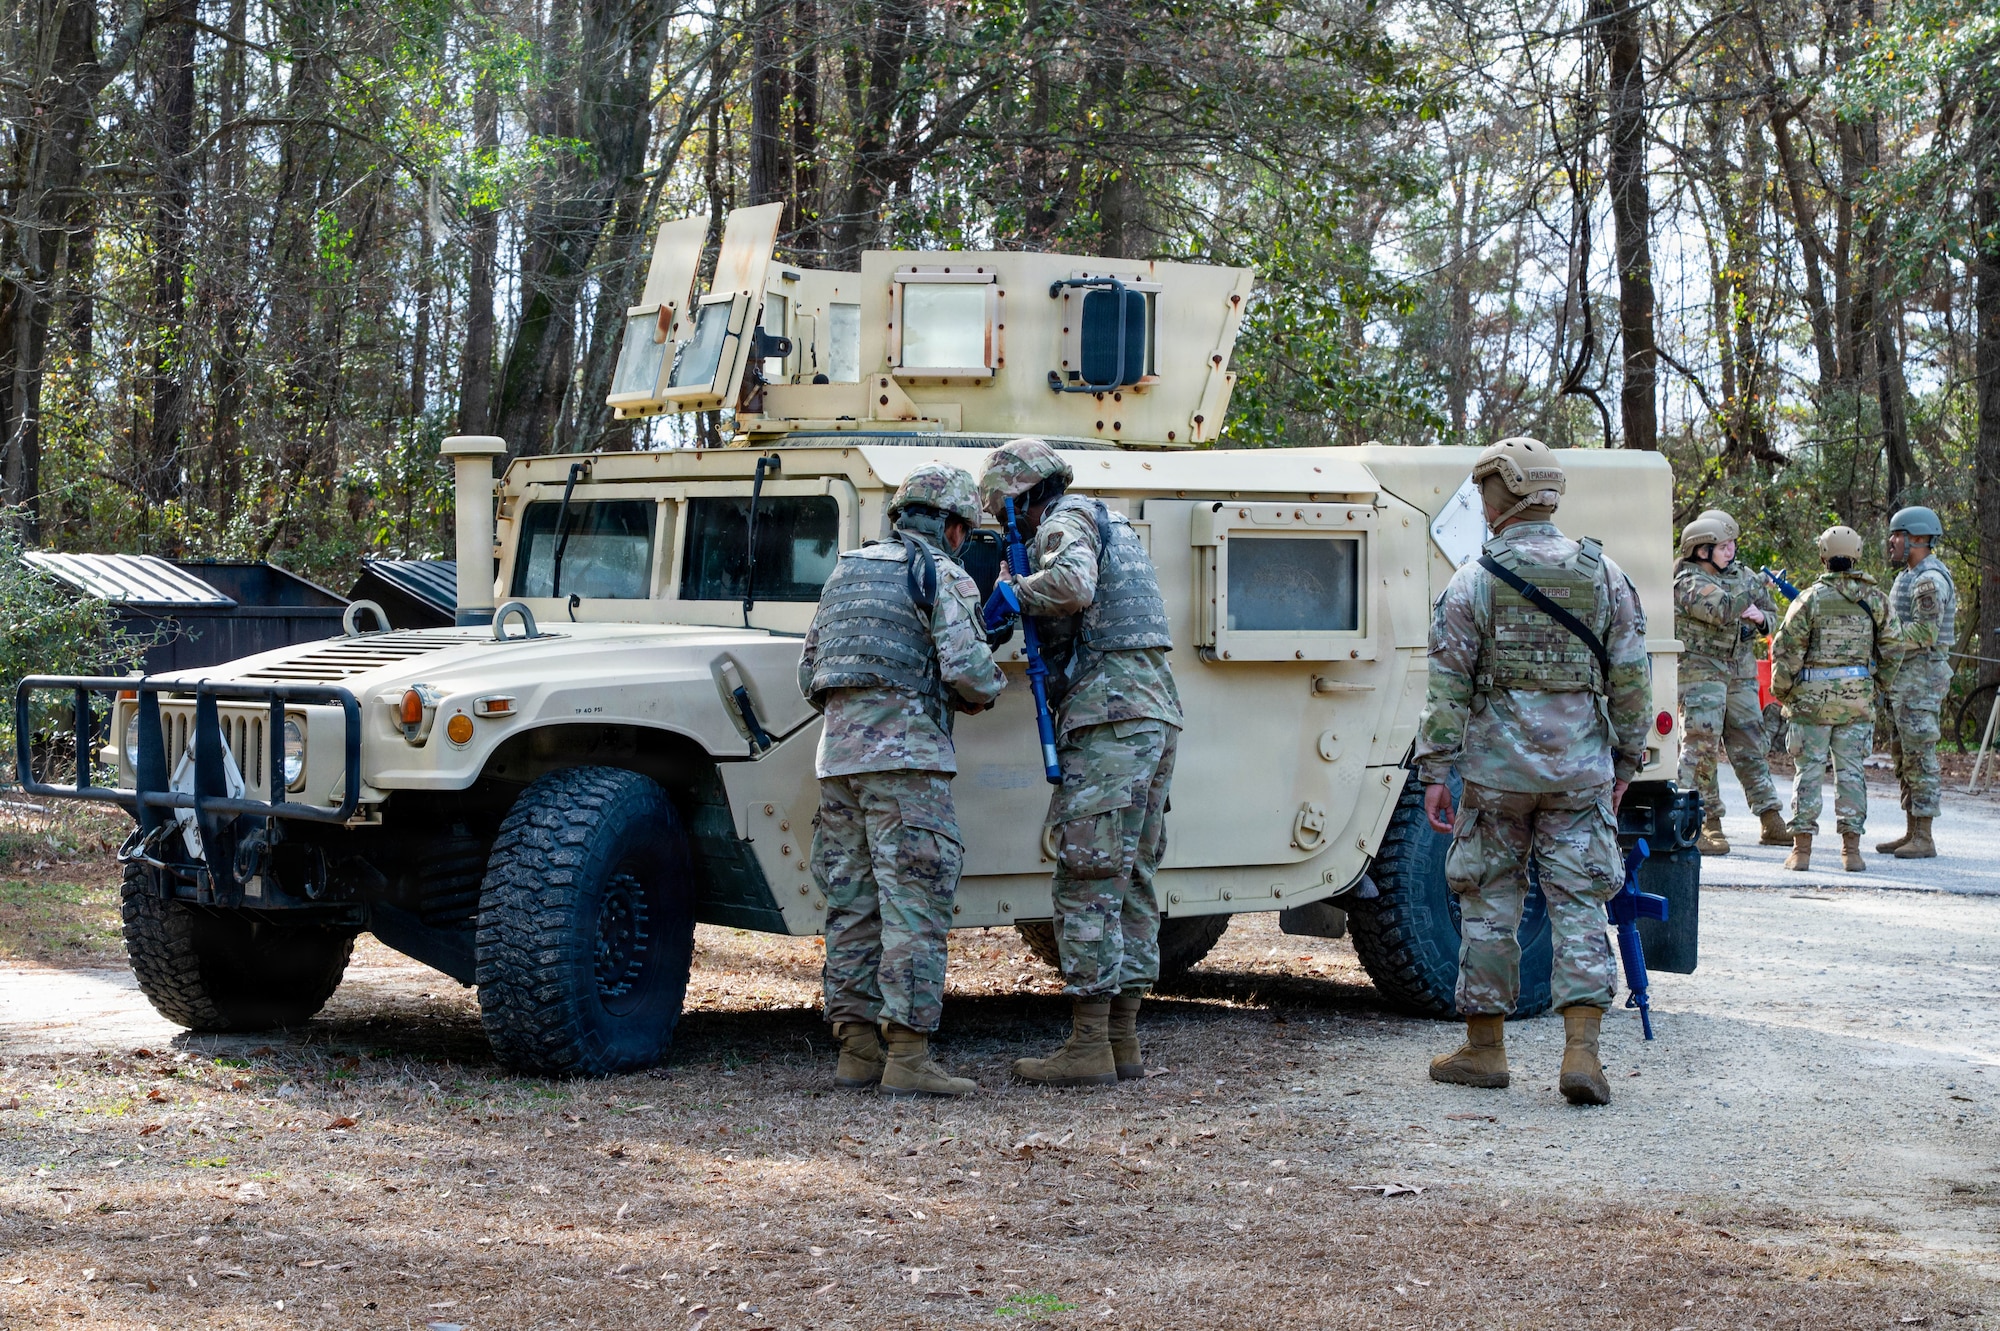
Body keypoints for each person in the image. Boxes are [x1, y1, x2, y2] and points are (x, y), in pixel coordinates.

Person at [1414, 437, 1651, 1107]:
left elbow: (1446, 689)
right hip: (1579, 773)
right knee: (1579, 900)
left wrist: (1437, 769)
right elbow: (1632, 679)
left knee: (1489, 897)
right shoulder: (1605, 575)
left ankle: (1485, 1050)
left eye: (1486, 489)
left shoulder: (1473, 580)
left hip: (1497, 775)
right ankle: (1582, 1053)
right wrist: (1626, 759)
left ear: (1507, 493)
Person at [977, 437, 1180, 1088]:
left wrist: (1014, 594)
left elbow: (1071, 585)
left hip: (1111, 715)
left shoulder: (1067, 522)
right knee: (1131, 876)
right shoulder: (1106, 518)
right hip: (1151, 712)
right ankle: (1121, 1041)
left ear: (1023, 497)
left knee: (1089, 873)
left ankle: (1091, 1042)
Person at [798, 463, 1005, 1097]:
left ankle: (856, 1049)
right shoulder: (941, 574)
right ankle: (909, 1057)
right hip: (907, 765)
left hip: (838, 762)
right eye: (964, 530)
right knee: (914, 907)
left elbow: (812, 674)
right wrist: (984, 687)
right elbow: (970, 674)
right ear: (950, 526)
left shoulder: (847, 571)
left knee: (852, 904)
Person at [1769, 525, 1899, 874]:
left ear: (1823, 557)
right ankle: (1852, 852)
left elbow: (1786, 650)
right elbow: (1893, 648)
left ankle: (1802, 851)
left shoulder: (1808, 600)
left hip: (1811, 704)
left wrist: (1782, 690)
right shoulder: (1875, 599)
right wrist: (1877, 686)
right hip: (1856, 705)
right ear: (1857, 555)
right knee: (1852, 774)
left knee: (1808, 772)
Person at [1672, 510, 1787, 854]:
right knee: (1701, 746)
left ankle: (1771, 819)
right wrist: (1755, 587)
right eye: (1723, 545)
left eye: (1733, 544)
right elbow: (1721, 609)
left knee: (1751, 744)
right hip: (1700, 671)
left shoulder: (1741, 575)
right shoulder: (1686, 581)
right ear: (1701, 550)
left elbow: (1772, 615)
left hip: (1740, 670)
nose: (1731, 550)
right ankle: (1707, 823)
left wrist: (1761, 619)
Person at [1877, 506, 1956, 859]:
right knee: (1904, 756)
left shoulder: (1929, 580)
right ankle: (1911, 830)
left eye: (1898, 535)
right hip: (1904, 682)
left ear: (1918, 538)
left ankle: (1924, 835)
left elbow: (1924, 633)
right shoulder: (1907, 576)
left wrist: (1881, 637)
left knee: (1920, 757)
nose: (1892, 541)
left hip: (1921, 681)